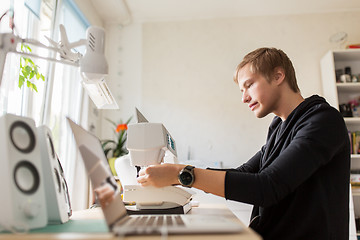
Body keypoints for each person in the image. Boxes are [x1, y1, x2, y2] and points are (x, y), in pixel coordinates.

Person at [97, 47, 350, 239]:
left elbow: (267, 187)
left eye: (248, 85)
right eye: (242, 90)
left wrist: (182, 175)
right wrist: (178, 174)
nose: (244, 98)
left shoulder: (322, 120)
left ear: (278, 76)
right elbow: (243, 174)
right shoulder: (279, 127)